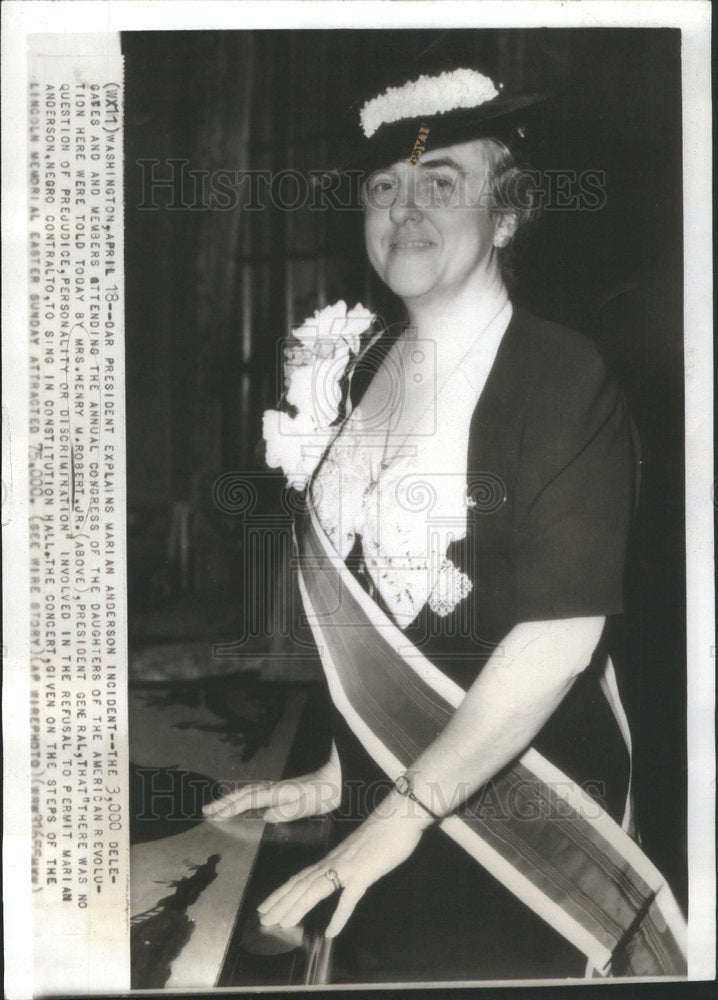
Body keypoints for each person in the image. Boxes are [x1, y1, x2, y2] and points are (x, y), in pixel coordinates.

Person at [205, 67, 686, 981]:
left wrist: (393, 819)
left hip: (527, 817)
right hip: (393, 798)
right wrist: (339, 774)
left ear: (505, 216)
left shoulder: (559, 377)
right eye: (383, 187)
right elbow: (390, 624)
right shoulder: (353, 366)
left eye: (440, 184)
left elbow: (555, 642)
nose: (404, 209)